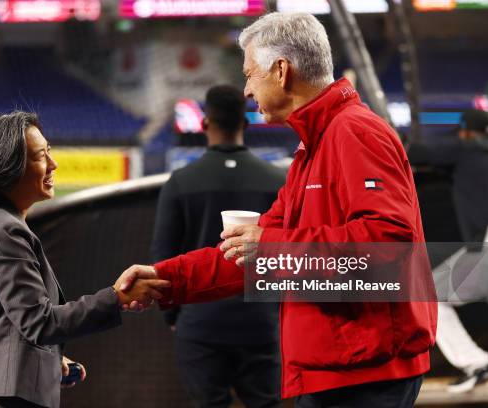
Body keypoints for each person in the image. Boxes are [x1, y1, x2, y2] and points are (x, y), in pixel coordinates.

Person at [121, 12, 437, 408]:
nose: (247, 90)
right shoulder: (314, 146)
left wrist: (272, 248)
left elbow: (388, 247)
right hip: (337, 366)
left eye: (250, 74)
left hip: (363, 372)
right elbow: (247, 256)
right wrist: (165, 279)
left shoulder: (355, 132)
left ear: (281, 71)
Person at [0, 111, 169, 408]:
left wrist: (45, 360)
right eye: (41, 156)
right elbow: (38, 323)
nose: (53, 164)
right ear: (8, 169)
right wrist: (116, 298)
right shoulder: (7, 232)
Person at [152, 85, 284, 408]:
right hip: (262, 322)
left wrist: (173, 317)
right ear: (246, 124)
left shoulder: (180, 182)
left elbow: (163, 257)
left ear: (205, 124)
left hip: (201, 325)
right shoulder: (278, 180)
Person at [408, 108, 488, 392]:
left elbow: (417, 153)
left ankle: (476, 364)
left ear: (467, 132)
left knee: (426, 297)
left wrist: (392, 134)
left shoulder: (466, 148)